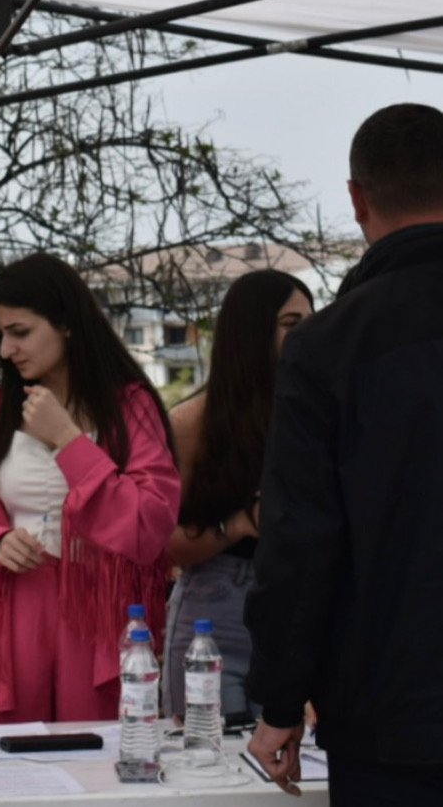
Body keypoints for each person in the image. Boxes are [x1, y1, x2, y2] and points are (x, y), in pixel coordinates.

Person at [246, 103, 443, 804]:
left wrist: (277, 702)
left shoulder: (329, 345)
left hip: (391, 716)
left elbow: (300, 541)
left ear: (357, 199)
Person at [0, 252, 180, 724]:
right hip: (11, 615)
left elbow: (150, 524)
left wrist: (68, 440)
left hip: (100, 621)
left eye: (20, 332)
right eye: (0, 334)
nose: (6, 349)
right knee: (3, 775)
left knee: (98, 773)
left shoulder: (132, 407)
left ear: (67, 324)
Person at [162, 270, 314, 720]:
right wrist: (241, 521)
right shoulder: (193, 423)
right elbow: (167, 543)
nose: (308, 335)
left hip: (297, 609)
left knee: (295, 771)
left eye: (312, 322)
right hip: (214, 606)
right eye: (292, 324)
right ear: (253, 331)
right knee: (207, 765)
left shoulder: (319, 413)